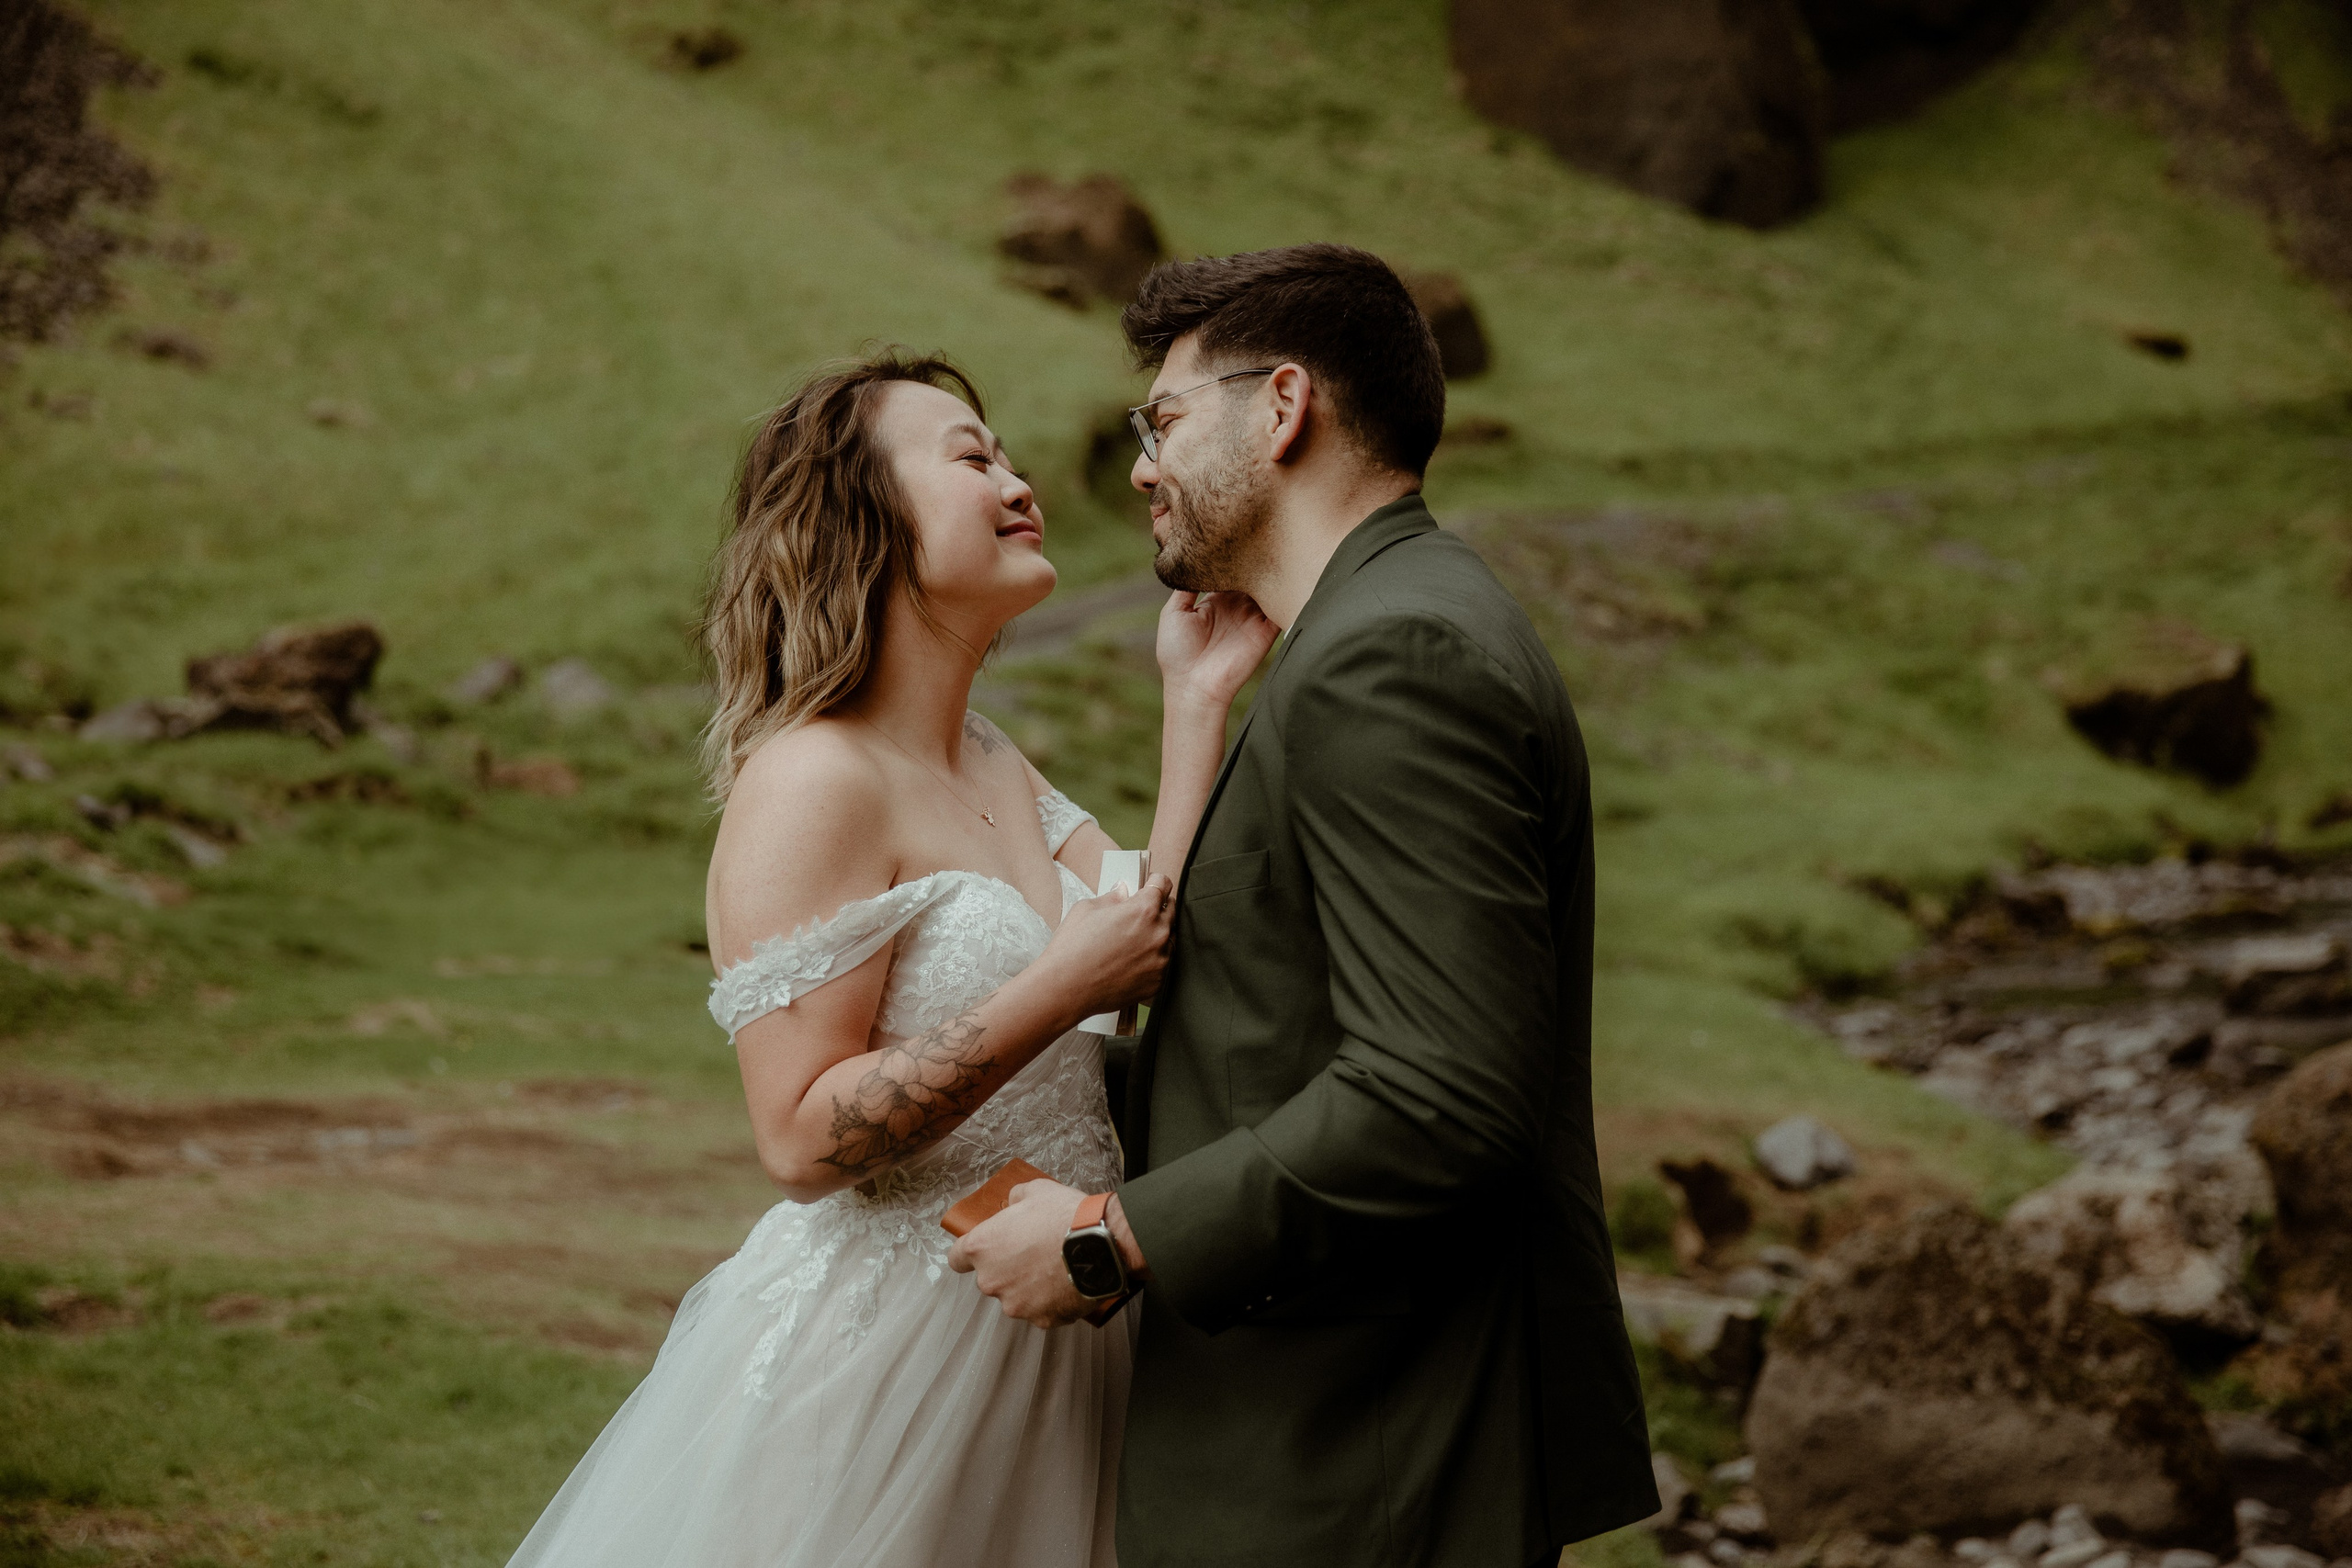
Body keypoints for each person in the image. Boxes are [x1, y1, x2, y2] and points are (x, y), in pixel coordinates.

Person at [948, 244, 1661, 1568]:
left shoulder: (1395, 658)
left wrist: (1113, 1240)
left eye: (1161, 422)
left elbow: (1442, 1090)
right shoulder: (1383, 629)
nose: (1143, 466)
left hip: (1358, 1463)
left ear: (1282, 409)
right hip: (1348, 1437)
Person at [504, 351, 1277, 1568]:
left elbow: (1146, 931)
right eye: (972, 458)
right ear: (865, 522)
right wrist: (1059, 988)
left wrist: (1196, 700)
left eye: (1006, 453)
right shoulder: (813, 781)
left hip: (1055, 1334)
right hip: (888, 1365)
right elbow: (800, 1139)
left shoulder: (990, 758)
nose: (1018, 480)